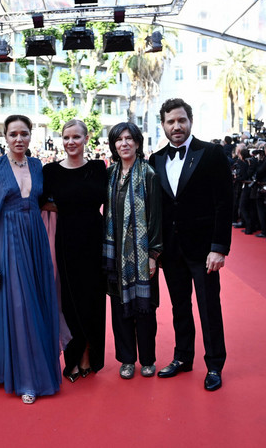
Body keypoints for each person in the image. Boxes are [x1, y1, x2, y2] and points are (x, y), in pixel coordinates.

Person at [0, 114, 61, 404]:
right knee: (18, 305)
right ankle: (26, 378)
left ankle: (30, 369)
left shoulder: (37, 165)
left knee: (35, 300)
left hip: (34, 238)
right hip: (7, 240)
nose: (18, 139)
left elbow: (45, 200)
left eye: (24, 133)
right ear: (5, 137)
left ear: (30, 135)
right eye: (13, 134)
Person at [149, 98, 232, 392]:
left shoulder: (211, 153)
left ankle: (214, 365)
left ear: (190, 121)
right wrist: (154, 249)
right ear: (163, 125)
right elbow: (155, 209)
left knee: (209, 308)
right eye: (171, 122)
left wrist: (219, 247)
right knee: (179, 306)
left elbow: (224, 203)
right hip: (171, 250)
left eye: (181, 120)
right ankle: (183, 357)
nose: (176, 126)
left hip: (203, 249)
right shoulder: (155, 159)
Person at [41, 119, 107, 382]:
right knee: (68, 300)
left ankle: (88, 356)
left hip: (95, 240)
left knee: (93, 299)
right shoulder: (51, 171)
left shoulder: (98, 168)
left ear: (86, 138)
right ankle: (72, 356)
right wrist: (65, 211)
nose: (71, 142)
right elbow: (41, 202)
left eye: (76, 137)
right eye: (66, 137)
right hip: (65, 242)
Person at [103, 122, 162, 380]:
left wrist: (152, 256)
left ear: (137, 143)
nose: (124, 143)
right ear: (114, 145)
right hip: (115, 254)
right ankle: (127, 359)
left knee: (145, 308)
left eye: (129, 138)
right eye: (119, 139)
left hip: (142, 256)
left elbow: (156, 218)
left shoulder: (149, 174)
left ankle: (147, 358)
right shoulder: (111, 173)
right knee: (119, 307)